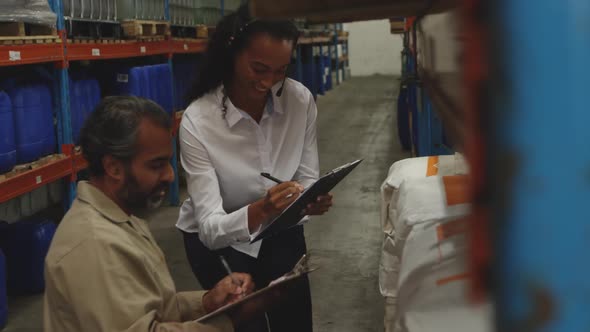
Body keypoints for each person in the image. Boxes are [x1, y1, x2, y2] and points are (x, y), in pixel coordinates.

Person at [176, 5, 333, 332]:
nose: (268, 83)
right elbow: (208, 228)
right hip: (219, 242)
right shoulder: (198, 120)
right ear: (231, 54)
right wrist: (261, 208)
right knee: (247, 327)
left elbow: (306, 176)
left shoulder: (299, 100)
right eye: (258, 68)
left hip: (280, 228)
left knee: (295, 323)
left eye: (280, 71)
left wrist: (308, 199)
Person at [44, 96, 260, 332]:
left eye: (168, 163)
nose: (170, 175)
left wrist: (206, 302)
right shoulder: (95, 244)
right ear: (113, 168)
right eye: (156, 165)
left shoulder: (121, 219)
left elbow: (150, 307)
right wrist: (228, 323)